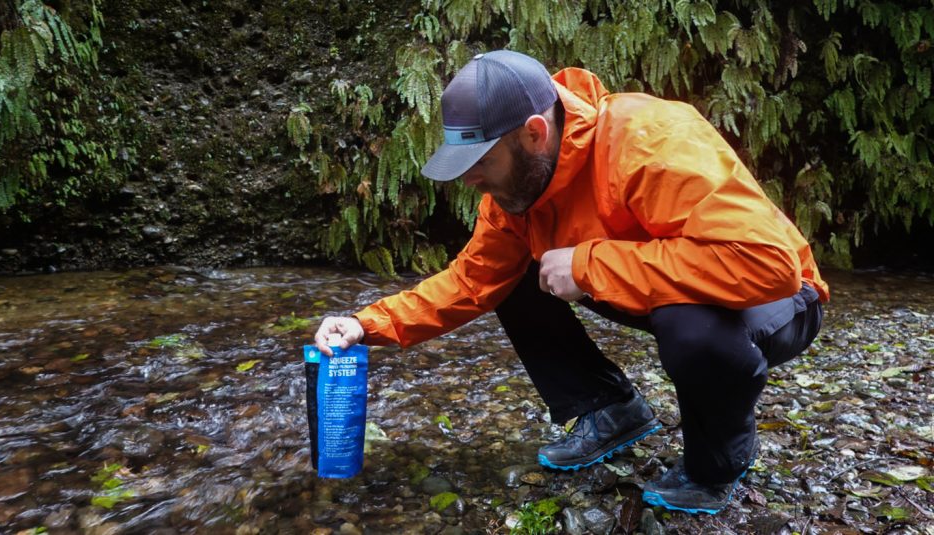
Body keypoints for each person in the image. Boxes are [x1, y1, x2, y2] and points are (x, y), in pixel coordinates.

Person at [313, 50, 827, 514]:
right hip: (667, 286)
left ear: (535, 131)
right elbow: (470, 281)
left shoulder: (648, 140)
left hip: (778, 297)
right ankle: (611, 409)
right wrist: (365, 325)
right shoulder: (517, 193)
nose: (471, 181)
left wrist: (587, 266)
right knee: (512, 278)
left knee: (690, 328)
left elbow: (764, 265)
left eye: (482, 162)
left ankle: (719, 463)